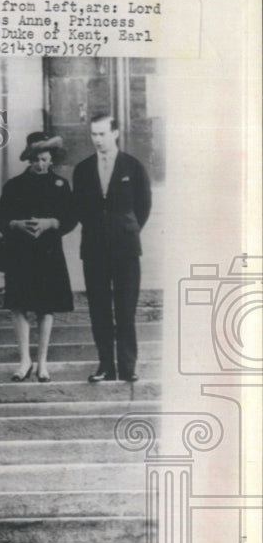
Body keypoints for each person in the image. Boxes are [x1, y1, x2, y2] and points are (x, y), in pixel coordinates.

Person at [72, 114, 152, 383]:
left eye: (102, 134)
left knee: (125, 310)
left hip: (126, 250)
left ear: (115, 133)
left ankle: (128, 366)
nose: (97, 140)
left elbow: (143, 206)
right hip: (94, 250)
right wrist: (99, 231)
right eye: (93, 134)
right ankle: (106, 365)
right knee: (99, 309)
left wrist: (125, 230)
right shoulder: (82, 170)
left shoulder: (132, 166)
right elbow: (80, 208)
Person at [0, 133, 78, 382]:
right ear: (28, 160)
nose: (40, 165)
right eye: (35, 160)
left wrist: (51, 223)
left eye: (44, 159)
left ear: (51, 159)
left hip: (48, 253)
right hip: (20, 253)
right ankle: (24, 360)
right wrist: (16, 224)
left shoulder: (60, 185)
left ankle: (42, 363)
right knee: (18, 306)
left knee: (46, 307)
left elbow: (71, 218)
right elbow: (0, 218)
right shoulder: (14, 185)